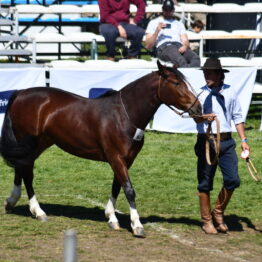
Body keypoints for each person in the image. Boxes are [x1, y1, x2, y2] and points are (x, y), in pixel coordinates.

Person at [194, 58, 250, 234]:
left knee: (233, 179)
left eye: (210, 73)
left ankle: (218, 211)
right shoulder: (199, 94)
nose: (206, 76)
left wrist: (244, 141)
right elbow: (194, 117)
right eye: (204, 72)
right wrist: (203, 117)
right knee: (205, 182)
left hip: (226, 142)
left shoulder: (230, 92)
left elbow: (238, 117)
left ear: (219, 74)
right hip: (206, 142)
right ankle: (207, 221)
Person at [145, 0, 200, 68]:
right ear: (162, 10)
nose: (168, 12)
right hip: (164, 47)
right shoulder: (153, 22)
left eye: (170, 10)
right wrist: (157, 31)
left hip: (178, 46)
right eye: (166, 10)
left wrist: (185, 46)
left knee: (195, 58)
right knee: (180, 60)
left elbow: (185, 40)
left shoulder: (179, 24)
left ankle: (189, 76)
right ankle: (187, 76)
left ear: (173, 10)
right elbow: (148, 45)